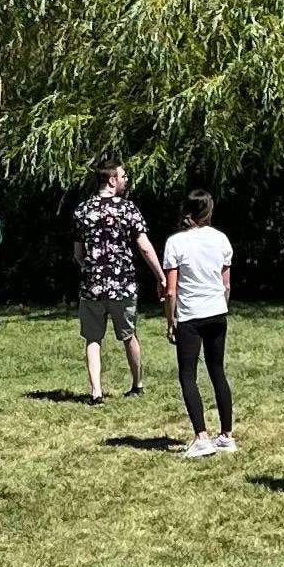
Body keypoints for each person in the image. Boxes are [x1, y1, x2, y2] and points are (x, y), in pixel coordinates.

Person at [71, 158, 166, 405]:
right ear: (112, 180)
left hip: (92, 287)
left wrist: (89, 268)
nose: (126, 181)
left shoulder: (82, 211)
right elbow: (144, 247)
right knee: (128, 334)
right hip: (123, 284)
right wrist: (161, 276)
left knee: (93, 339)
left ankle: (96, 392)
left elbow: (78, 253)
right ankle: (137, 384)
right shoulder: (128, 209)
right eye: (123, 176)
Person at [163, 190, 235, 458]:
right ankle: (226, 435)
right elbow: (225, 284)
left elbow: (171, 291)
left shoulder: (176, 243)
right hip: (217, 312)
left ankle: (201, 437)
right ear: (209, 211)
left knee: (188, 375)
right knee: (217, 371)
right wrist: (220, 304)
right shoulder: (221, 240)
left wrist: (171, 322)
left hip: (191, 316)